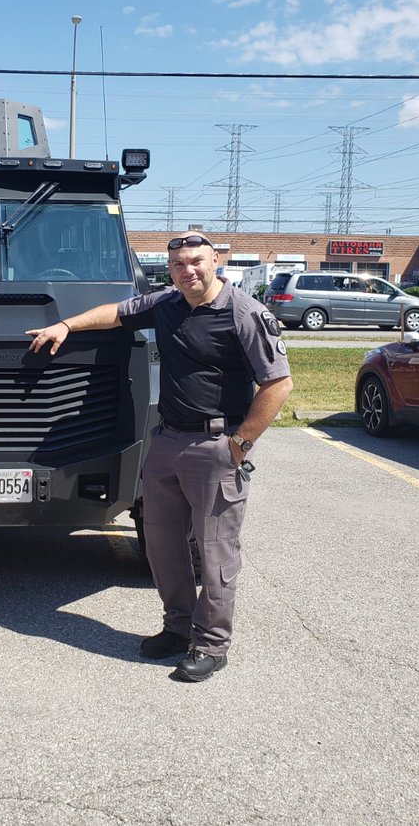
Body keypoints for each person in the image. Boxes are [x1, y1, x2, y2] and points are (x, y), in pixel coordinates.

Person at [27, 232, 292, 682]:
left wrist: (240, 444)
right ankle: (176, 628)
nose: (187, 271)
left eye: (196, 262)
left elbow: (278, 384)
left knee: (215, 552)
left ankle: (211, 644)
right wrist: (67, 326)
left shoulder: (243, 312)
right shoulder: (166, 304)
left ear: (215, 263)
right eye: (178, 265)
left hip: (216, 446)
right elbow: (115, 313)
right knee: (164, 546)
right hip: (167, 442)